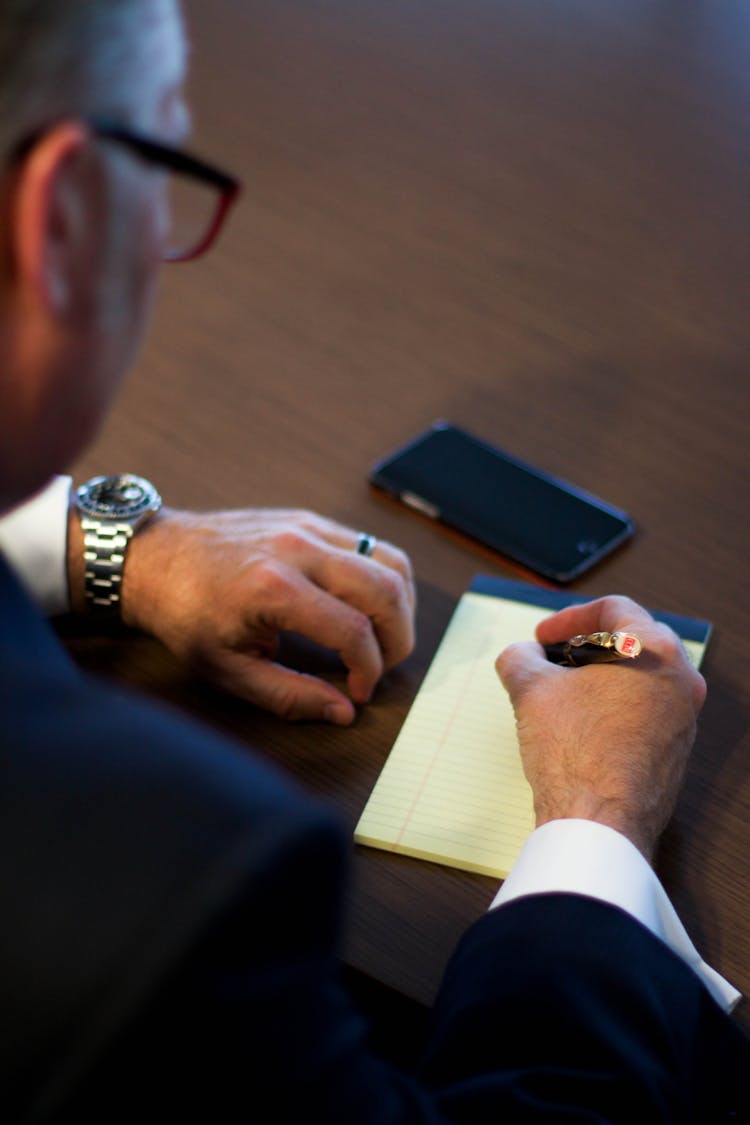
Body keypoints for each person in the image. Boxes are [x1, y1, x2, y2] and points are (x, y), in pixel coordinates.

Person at [0, 1, 748, 1121]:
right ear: (58, 218)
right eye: (159, 162)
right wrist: (596, 830)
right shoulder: (160, 874)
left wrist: (113, 550)